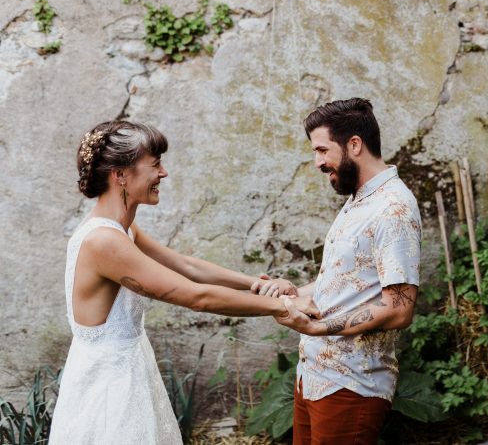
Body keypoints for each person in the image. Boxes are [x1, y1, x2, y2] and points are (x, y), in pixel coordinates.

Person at [49, 120, 319, 445]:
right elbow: (195, 296)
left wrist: (256, 284)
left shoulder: (120, 229)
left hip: (129, 370)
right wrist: (283, 305)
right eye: (155, 164)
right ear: (120, 175)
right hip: (109, 388)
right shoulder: (103, 241)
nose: (164, 173)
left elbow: (187, 267)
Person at [270, 98, 422, 445]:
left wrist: (316, 327)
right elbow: (346, 282)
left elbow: (399, 308)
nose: (318, 162)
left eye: (322, 150)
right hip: (314, 376)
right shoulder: (360, 199)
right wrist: (296, 293)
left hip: (352, 384)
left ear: (354, 144)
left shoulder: (393, 208)